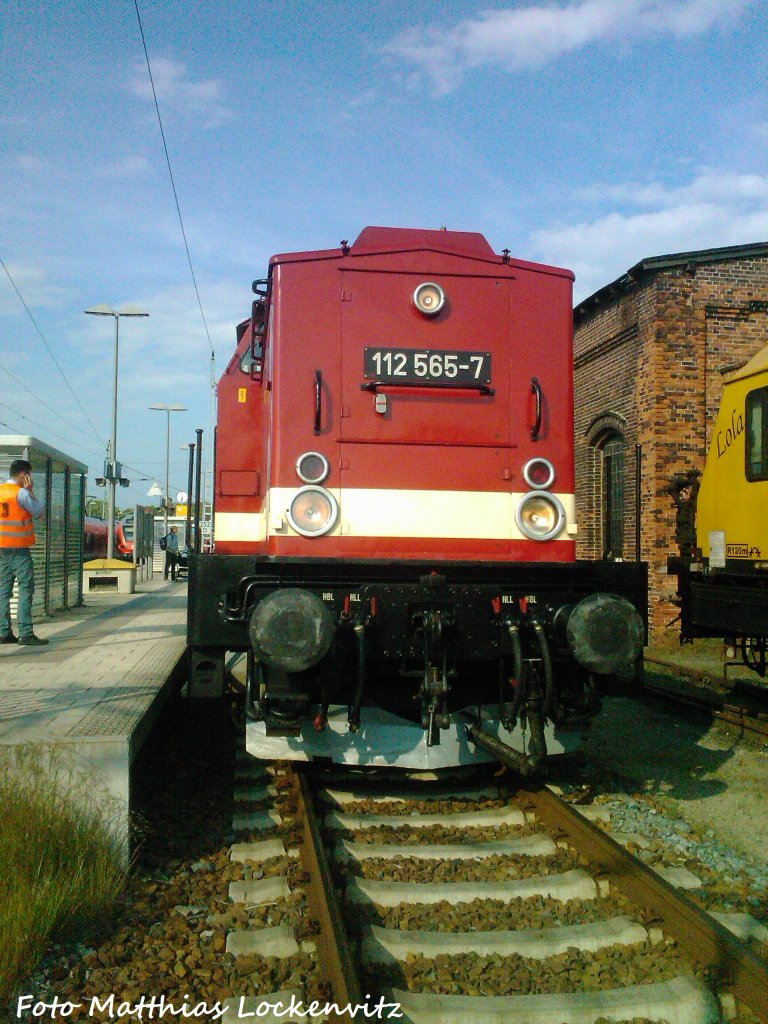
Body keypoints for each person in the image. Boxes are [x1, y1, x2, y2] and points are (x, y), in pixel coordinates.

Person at [0, 459, 49, 645]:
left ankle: (4, 632)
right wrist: (30, 491)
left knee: (3, 590)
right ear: (23, 475)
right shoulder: (21, 493)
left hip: (1, 548)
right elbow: (38, 511)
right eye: (30, 475)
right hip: (18, 548)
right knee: (26, 587)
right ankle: (26, 633)